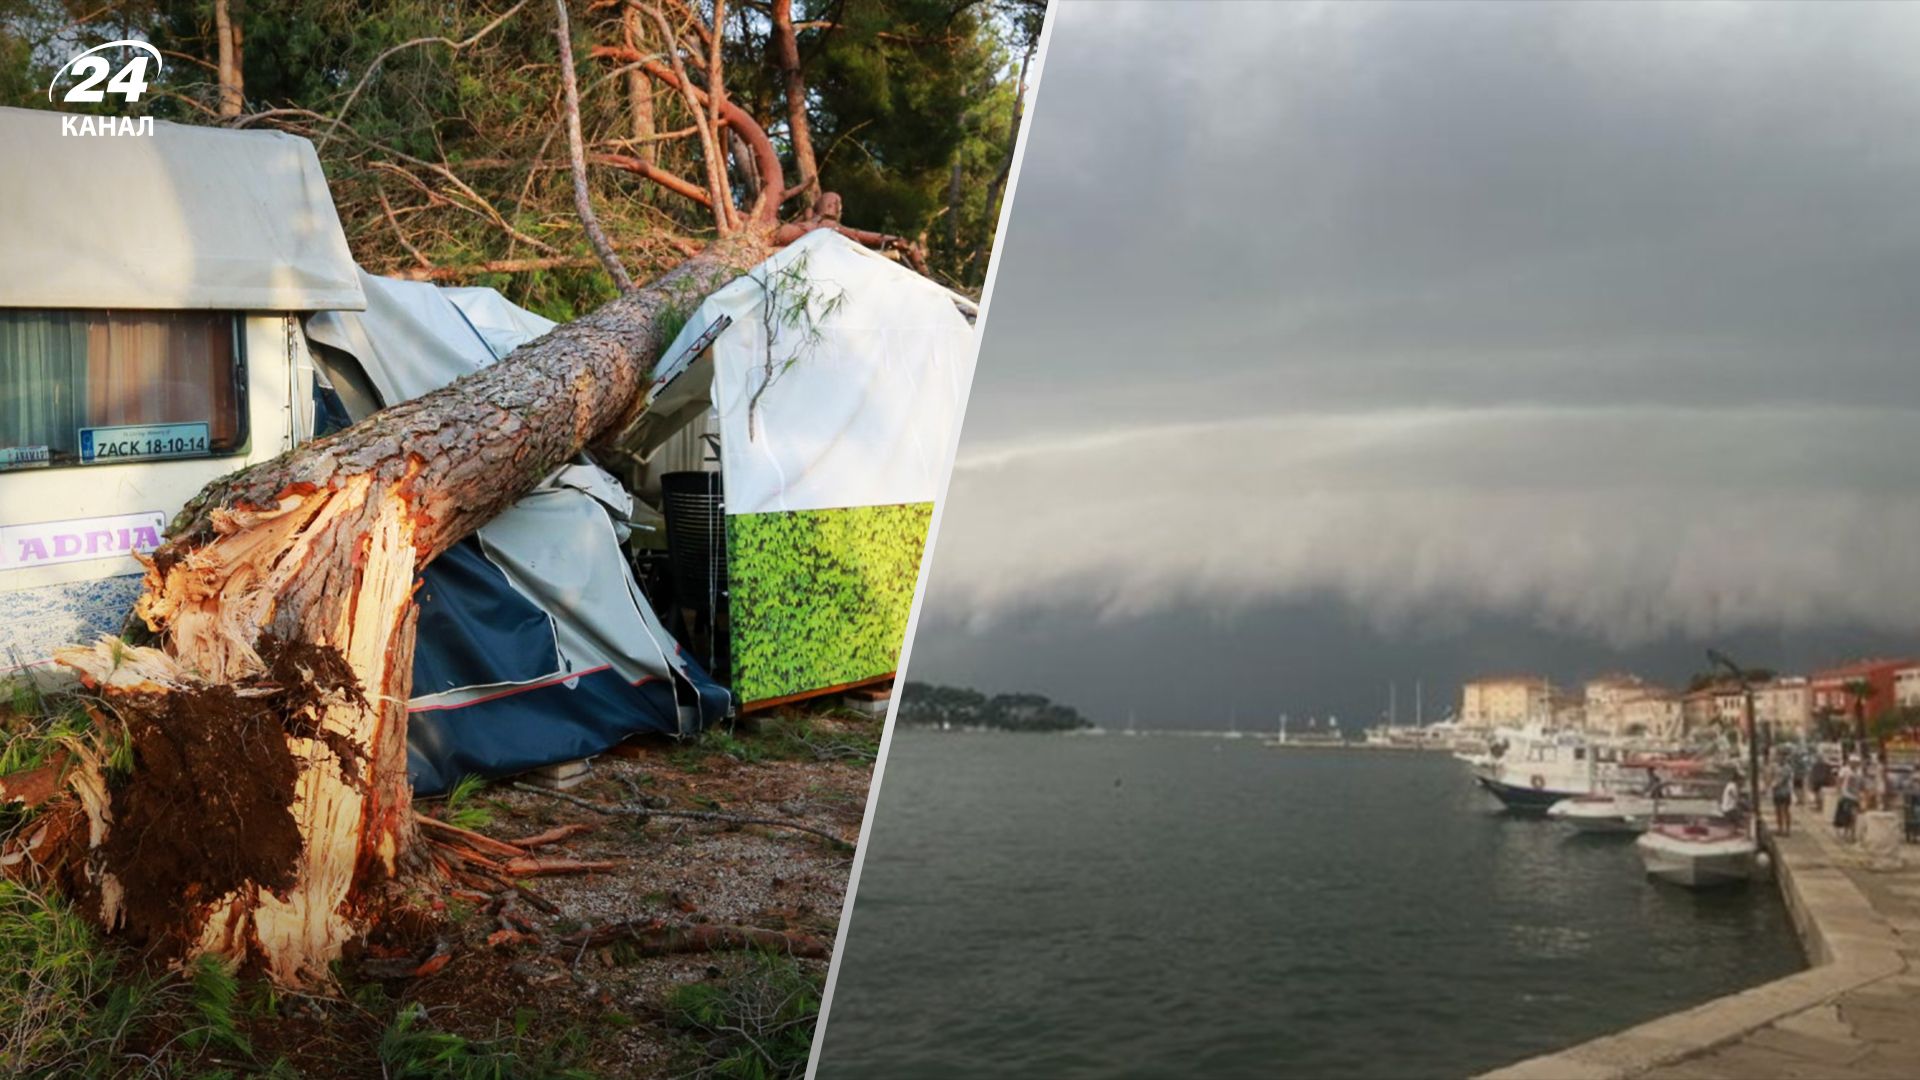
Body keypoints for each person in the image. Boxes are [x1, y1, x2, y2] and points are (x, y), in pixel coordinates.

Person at [1835, 758, 1860, 842]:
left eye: (1856, 763)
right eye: (1854, 763)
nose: (1855, 765)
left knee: (1854, 816)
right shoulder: (1844, 770)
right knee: (1846, 815)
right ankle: (1846, 833)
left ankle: (1851, 834)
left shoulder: (1859, 771)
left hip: (1856, 797)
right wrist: (1839, 793)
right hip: (1846, 796)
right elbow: (1839, 780)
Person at [1770, 759, 1793, 836]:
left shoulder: (1787, 768)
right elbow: (1772, 776)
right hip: (1777, 792)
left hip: (1784, 792)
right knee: (1778, 811)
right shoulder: (1775, 766)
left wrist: (1774, 785)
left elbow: (1782, 779)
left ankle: (1787, 830)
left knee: (1785, 811)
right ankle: (1780, 829)